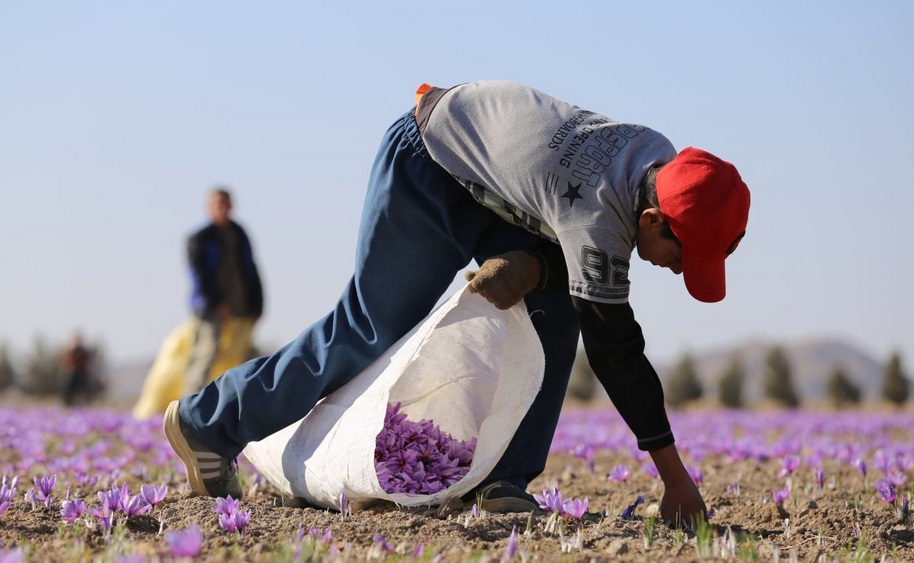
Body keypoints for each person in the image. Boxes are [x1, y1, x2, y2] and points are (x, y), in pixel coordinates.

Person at [164, 81, 750, 527]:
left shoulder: (661, 161)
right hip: (430, 160)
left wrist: (537, 267)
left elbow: (557, 215)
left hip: (498, 190)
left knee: (555, 311)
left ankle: (501, 481)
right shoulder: (600, 214)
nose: (675, 270)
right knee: (372, 325)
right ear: (652, 218)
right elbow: (617, 353)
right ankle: (209, 423)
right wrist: (674, 479)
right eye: (679, 257)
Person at [183, 187, 264, 395]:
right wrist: (216, 303)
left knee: (245, 356)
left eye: (225, 204)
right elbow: (199, 277)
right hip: (211, 308)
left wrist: (257, 305)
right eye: (216, 204)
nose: (222, 209)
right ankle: (189, 405)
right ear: (209, 208)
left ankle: (246, 401)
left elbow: (251, 270)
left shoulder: (239, 234)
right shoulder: (201, 239)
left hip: (241, 307)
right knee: (206, 354)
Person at [61, 331, 95, 406]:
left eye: (78, 341)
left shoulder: (84, 351)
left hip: (82, 372)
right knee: (68, 387)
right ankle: (68, 403)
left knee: (85, 388)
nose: (77, 343)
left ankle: (86, 403)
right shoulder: (71, 351)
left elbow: (88, 360)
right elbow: (67, 361)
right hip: (73, 372)